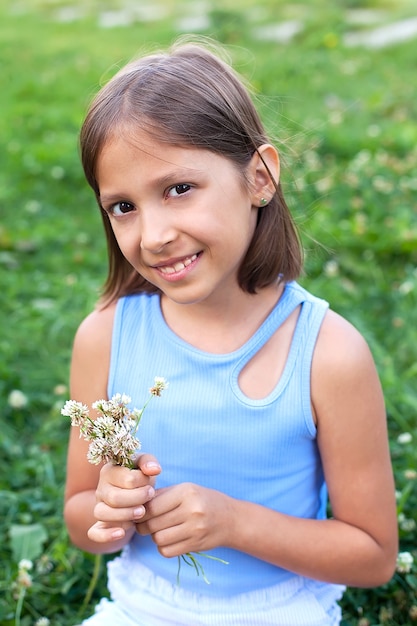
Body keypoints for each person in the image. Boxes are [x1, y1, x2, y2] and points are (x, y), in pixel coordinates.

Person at [64, 37, 398, 626]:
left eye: (179, 189)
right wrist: (108, 512)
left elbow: (372, 556)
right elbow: (81, 521)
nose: (154, 234)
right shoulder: (106, 336)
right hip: (144, 607)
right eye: (123, 206)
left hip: (279, 610)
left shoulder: (326, 353)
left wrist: (235, 523)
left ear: (260, 177)